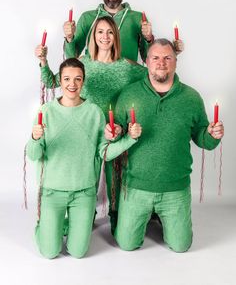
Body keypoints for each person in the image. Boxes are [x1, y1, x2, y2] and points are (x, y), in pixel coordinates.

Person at [107, 39, 224, 252]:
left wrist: (212, 135)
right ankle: (141, 215)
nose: (161, 62)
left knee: (181, 247)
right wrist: (113, 133)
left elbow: (203, 139)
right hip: (135, 187)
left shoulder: (191, 97)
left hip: (175, 188)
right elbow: (118, 134)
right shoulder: (130, 94)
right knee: (126, 245)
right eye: (156, 58)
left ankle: (163, 217)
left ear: (176, 62)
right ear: (147, 62)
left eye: (167, 58)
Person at [35, 16, 147, 234]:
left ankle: (117, 219)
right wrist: (43, 61)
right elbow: (51, 81)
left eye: (110, 32)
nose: (105, 37)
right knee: (86, 179)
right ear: (92, 36)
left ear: (116, 37)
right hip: (84, 132)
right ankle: (84, 215)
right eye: (100, 32)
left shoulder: (128, 67)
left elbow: (153, 75)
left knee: (115, 181)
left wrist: (174, 56)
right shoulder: (82, 63)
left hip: (114, 133)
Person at [26, 58, 141, 259]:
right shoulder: (46, 112)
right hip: (53, 191)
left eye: (77, 79)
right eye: (67, 79)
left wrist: (130, 139)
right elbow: (34, 155)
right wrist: (35, 138)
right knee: (50, 252)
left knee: (78, 252)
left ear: (83, 81)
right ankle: (43, 225)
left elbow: (104, 152)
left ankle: (63, 225)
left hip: (84, 193)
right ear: (60, 81)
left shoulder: (94, 113)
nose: (72, 84)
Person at [63, 0, 157, 62]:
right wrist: (69, 37)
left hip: (127, 76)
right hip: (94, 76)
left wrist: (148, 39)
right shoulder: (87, 18)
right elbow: (72, 58)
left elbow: (147, 58)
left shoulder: (137, 18)